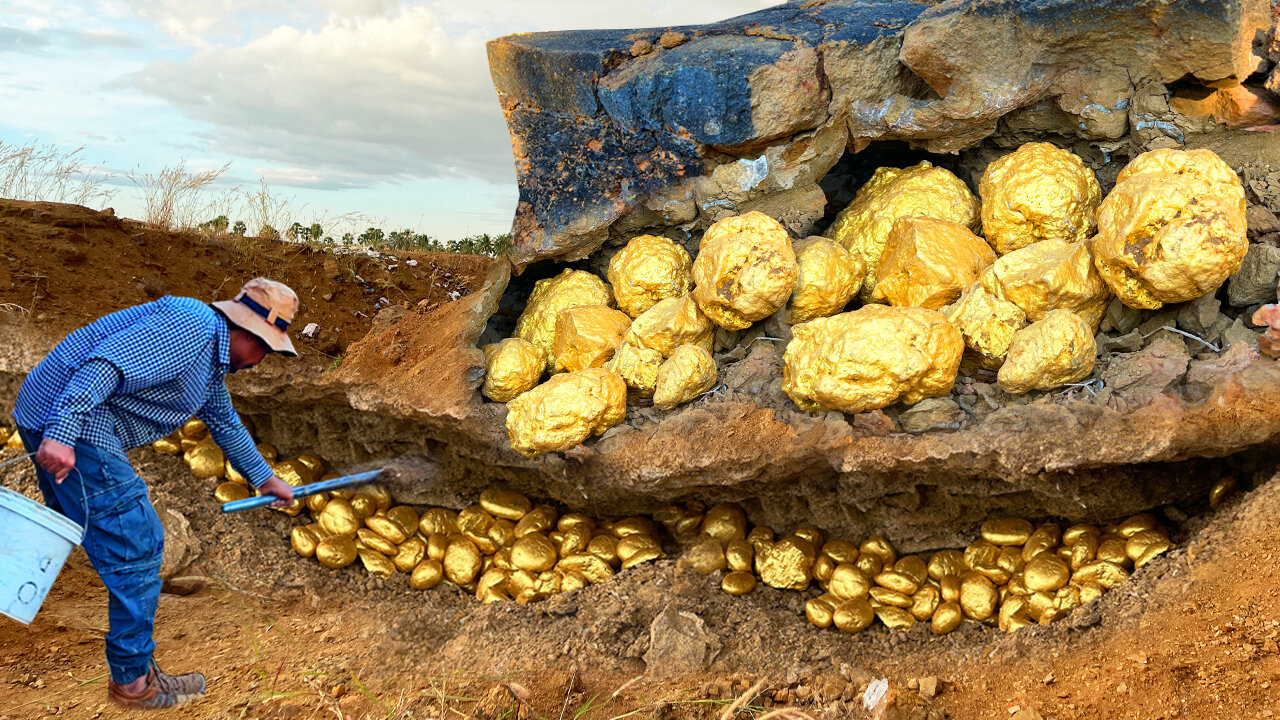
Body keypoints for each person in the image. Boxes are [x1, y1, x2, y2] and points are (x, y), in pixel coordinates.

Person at [10, 278, 301, 709]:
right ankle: (132, 681)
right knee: (138, 544)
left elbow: (224, 422)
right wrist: (63, 431)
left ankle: (129, 660)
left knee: (84, 530)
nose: (263, 360)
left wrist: (264, 478)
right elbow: (103, 366)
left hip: (59, 415)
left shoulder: (209, 358)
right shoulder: (192, 327)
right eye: (267, 348)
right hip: (77, 421)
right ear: (249, 332)